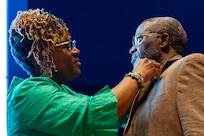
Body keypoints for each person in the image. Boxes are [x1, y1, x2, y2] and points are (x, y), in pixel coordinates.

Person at [7, 8, 161, 136]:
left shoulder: (61, 91)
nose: (76, 50)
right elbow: (93, 114)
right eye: (67, 46)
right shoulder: (27, 93)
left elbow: (110, 112)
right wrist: (137, 75)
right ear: (41, 55)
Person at [124, 16, 204, 136]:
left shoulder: (188, 66)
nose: (132, 49)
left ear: (163, 40)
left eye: (139, 39)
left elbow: (197, 129)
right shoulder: (145, 86)